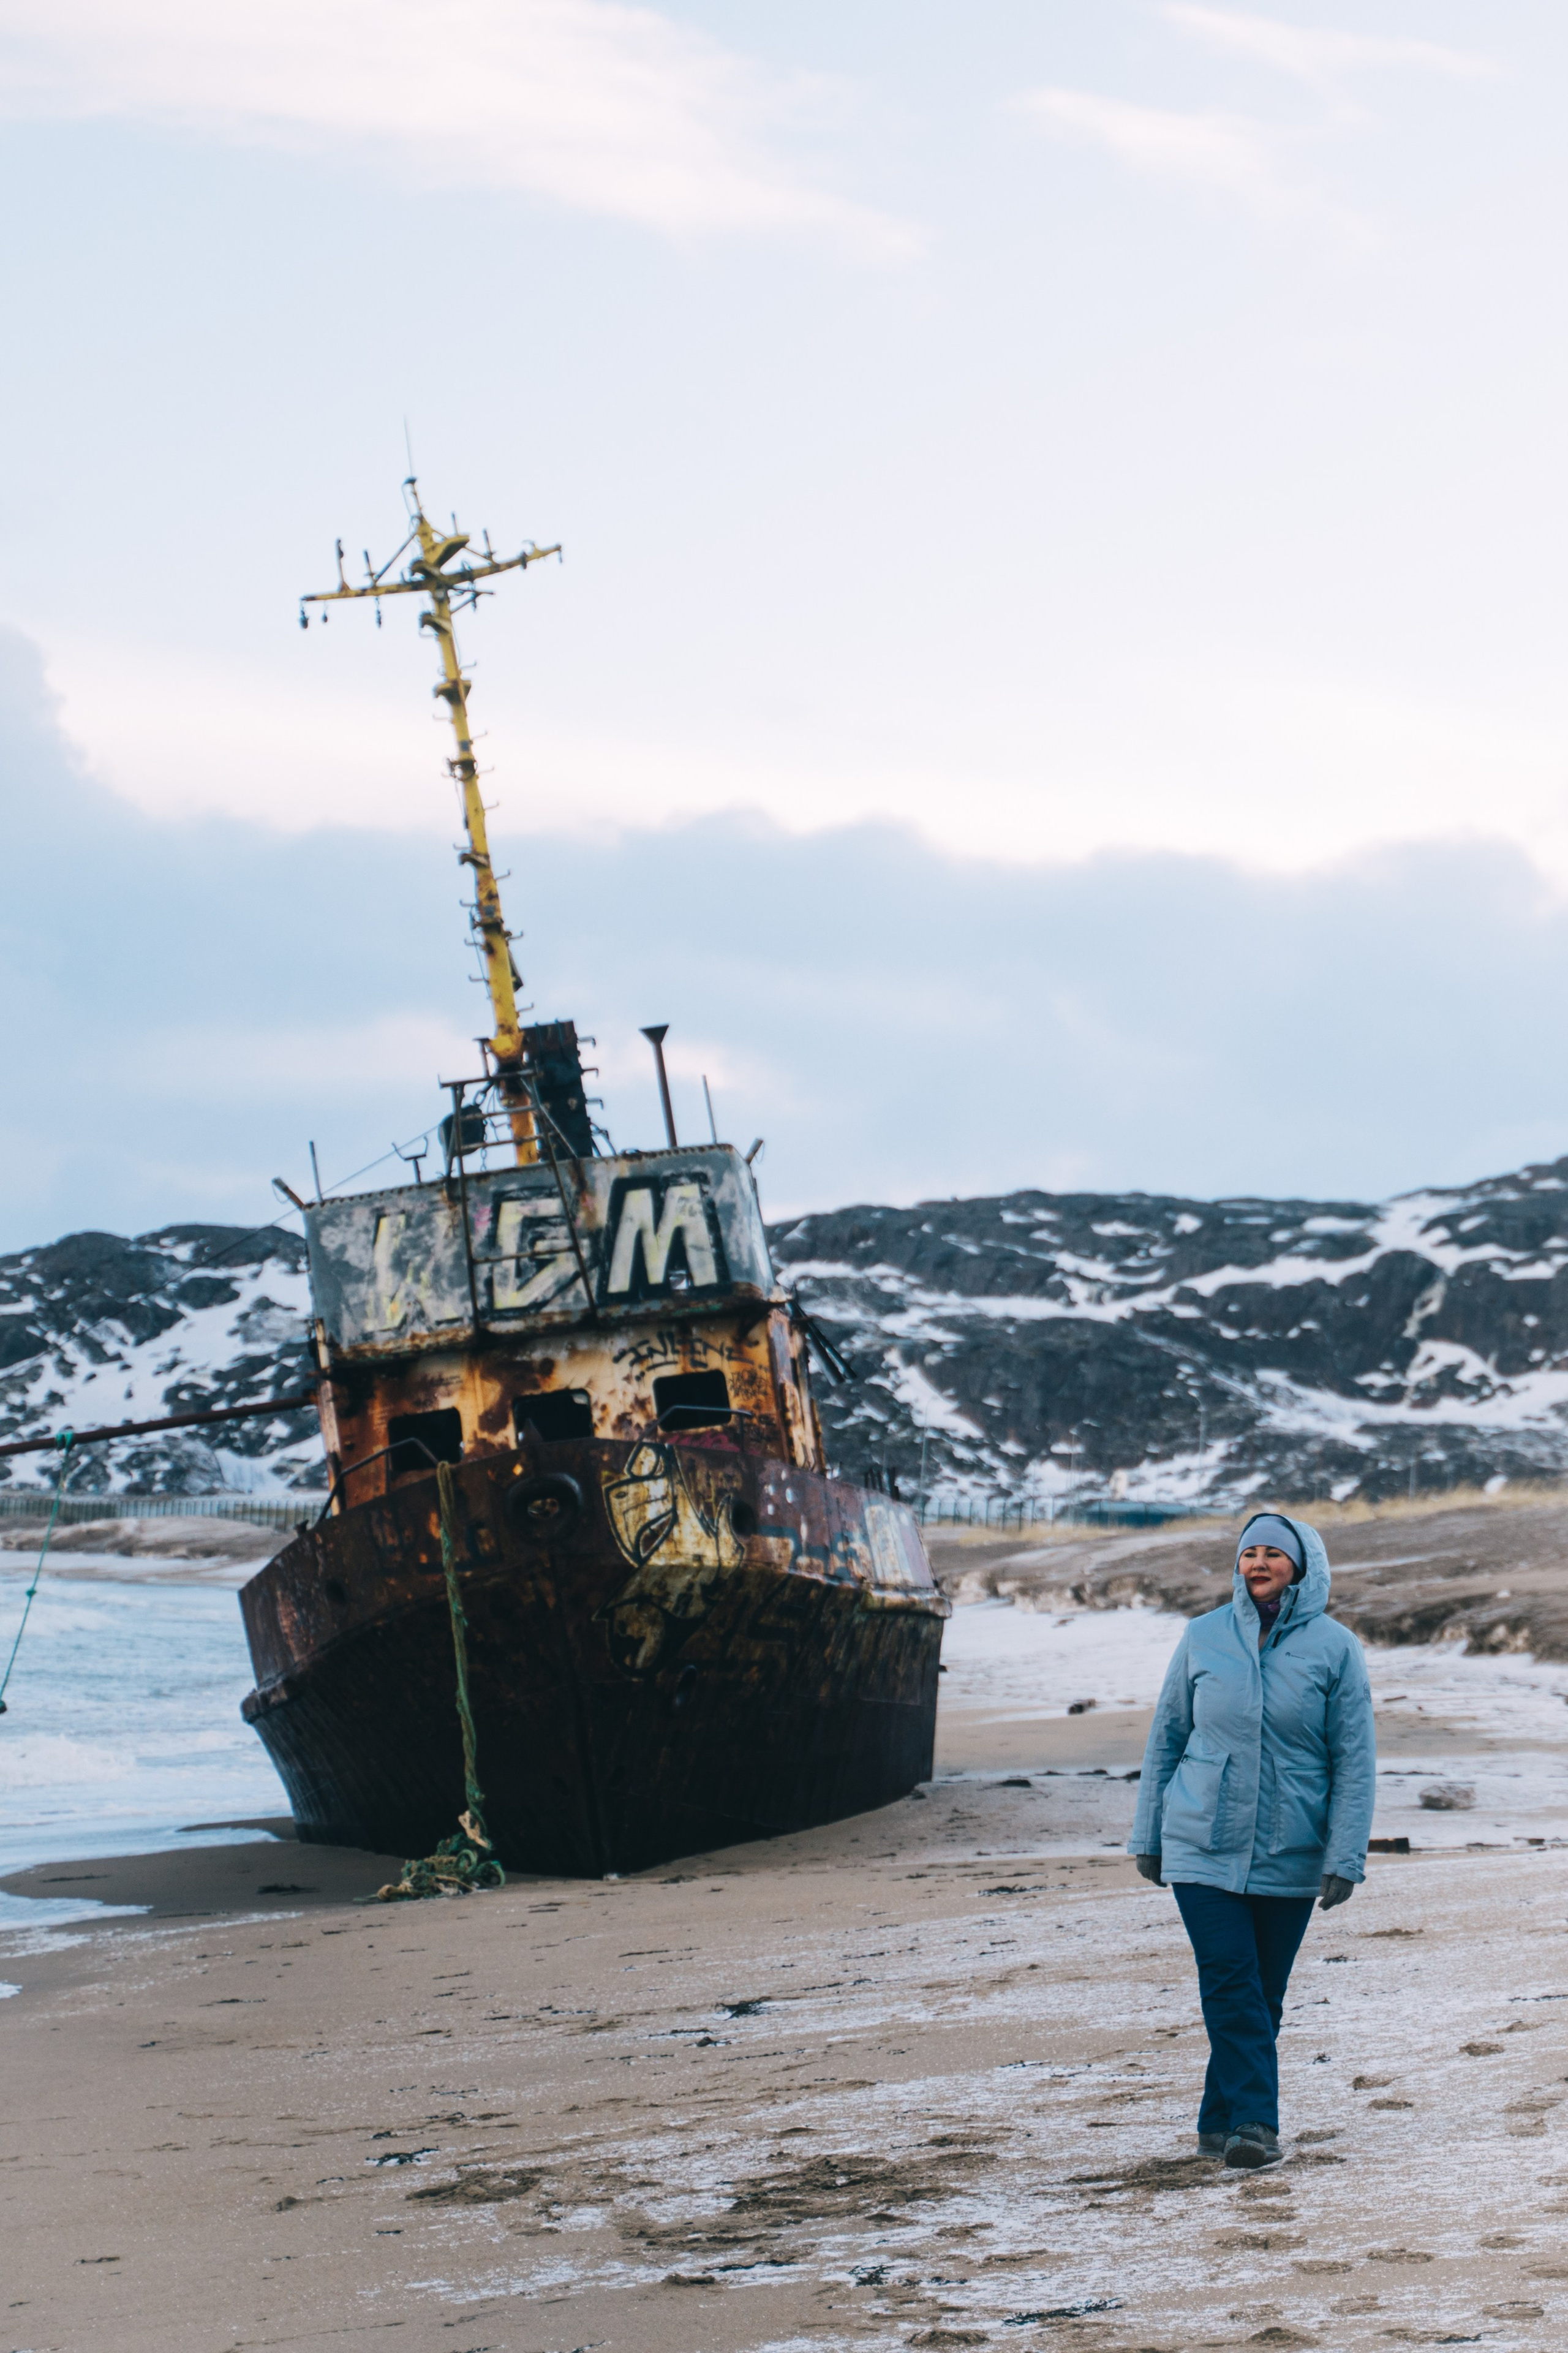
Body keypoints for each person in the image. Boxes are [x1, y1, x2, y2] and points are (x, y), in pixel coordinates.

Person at [1128, 1509, 1375, 2170]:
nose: (1258, 1563)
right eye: (1249, 1553)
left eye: (1273, 1553)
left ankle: (1218, 2123)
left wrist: (1345, 1854)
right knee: (1231, 1980)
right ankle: (1256, 2125)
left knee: (1262, 1996)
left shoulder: (1335, 1648)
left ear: (1301, 1566)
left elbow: (1354, 1760)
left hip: (1291, 1849)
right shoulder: (1202, 1636)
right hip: (1200, 1841)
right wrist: (1147, 1835)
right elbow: (1166, 1739)